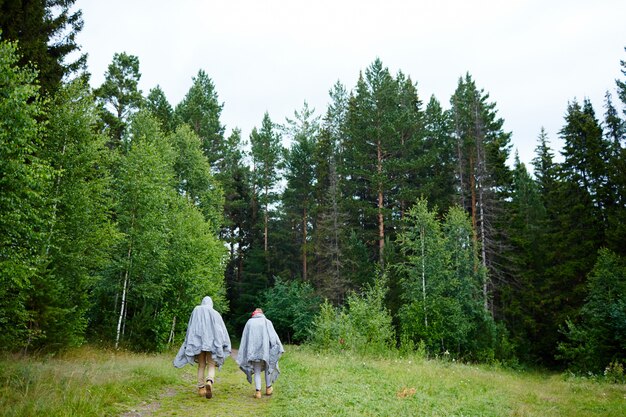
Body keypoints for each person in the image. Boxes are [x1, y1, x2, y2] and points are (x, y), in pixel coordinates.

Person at [173, 296, 231, 399]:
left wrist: (189, 340)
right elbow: (221, 330)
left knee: (201, 365)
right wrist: (223, 343)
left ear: (202, 302)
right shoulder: (215, 313)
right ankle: (209, 381)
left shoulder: (196, 310)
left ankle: (201, 388)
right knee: (211, 364)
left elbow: (191, 325)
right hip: (212, 344)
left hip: (198, 342)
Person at [236, 308, 284, 399]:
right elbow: (273, 337)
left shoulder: (249, 323)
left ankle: (258, 392)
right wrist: (276, 347)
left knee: (257, 371)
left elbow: (245, 339)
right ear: (262, 314)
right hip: (266, 351)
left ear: (254, 314)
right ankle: (268, 388)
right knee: (267, 368)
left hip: (253, 351)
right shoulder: (267, 322)